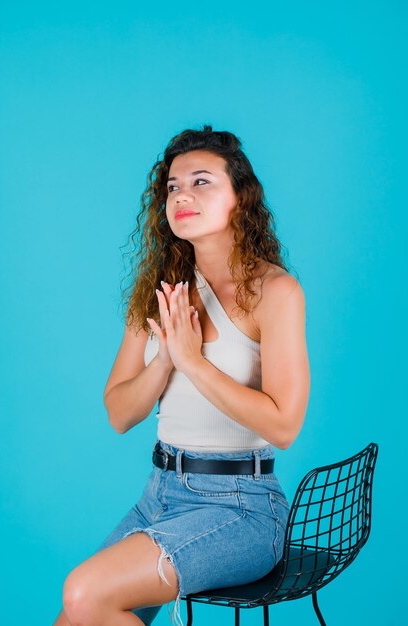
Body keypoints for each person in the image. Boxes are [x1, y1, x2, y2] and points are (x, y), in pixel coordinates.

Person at [53, 125, 310, 626]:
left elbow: (284, 426)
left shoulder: (275, 292)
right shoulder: (159, 290)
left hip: (244, 509)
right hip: (160, 495)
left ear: (241, 197)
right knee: (72, 616)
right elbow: (119, 413)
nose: (182, 196)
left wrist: (195, 362)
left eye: (201, 182)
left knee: (84, 594)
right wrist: (167, 359)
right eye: (173, 187)